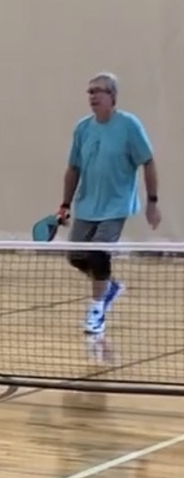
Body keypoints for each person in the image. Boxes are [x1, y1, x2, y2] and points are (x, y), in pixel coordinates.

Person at [58, 72, 159, 335]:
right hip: (87, 204)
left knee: (98, 252)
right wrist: (65, 204)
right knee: (76, 256)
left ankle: (97, 311)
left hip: (116, 204)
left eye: (98, 91)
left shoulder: (129, 125)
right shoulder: (83, 128)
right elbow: (73, 167)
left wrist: (152, 202)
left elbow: (148, 162)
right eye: (90, 92)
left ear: (112, 96)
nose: (92, 96)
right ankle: (110, 285)